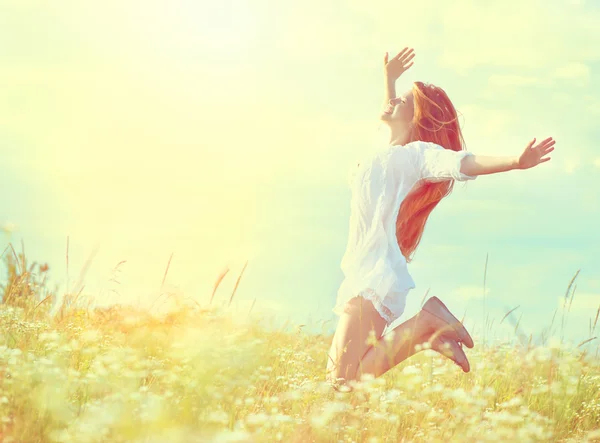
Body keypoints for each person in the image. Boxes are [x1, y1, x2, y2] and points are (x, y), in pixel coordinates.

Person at [326, 47, 556, 392]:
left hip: (373, 275)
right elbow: (388, 127)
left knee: (339, 385)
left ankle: (424, 325)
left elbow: (462, 164)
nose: (391, 104)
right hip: (362, 272)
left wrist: (515, 161)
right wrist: (389, 82)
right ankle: (424, 328)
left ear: (417, 120)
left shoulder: (418, 157)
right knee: (344, 382)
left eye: (402, 102)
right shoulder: (385, 151)